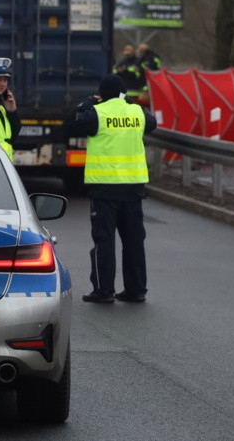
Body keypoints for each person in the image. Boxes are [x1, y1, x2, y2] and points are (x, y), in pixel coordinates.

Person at [66, 73, 157, 303]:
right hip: (133, 188)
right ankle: (136, 290)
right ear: (122, 94)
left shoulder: (97, 113)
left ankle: (104, 290)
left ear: (101, 95)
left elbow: (71, 125)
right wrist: (126, 102)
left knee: (104, 240)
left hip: (105, 188)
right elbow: (152, 123)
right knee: (134, 241)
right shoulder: (136, 112)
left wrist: (86, 103)